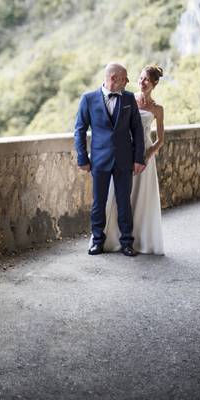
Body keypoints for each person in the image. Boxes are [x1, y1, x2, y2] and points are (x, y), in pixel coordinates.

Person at [74, 63, 145, 256]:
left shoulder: (129, 98)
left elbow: (137, 131)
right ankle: (97, 241)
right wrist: (82, 158)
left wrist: (139, 158)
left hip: (124, 160)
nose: (128, 81)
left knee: (124, 202)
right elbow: (79, 130)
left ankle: (127, 243)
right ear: (113, 78)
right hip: (99, 160)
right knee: (99, 202)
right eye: (125, 78)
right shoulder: (88, 99)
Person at [106, 65, 165, 254]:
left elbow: (161, 140)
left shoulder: (157, 109)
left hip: (145, 156)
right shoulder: (128, 99)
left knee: (142, 197)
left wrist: (148, 154)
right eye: (140, 78)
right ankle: (117, 238)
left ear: (154, 83)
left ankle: (141, 240)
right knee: (121, 195)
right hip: (125, 152)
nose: (142, 82)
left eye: (146, 79)